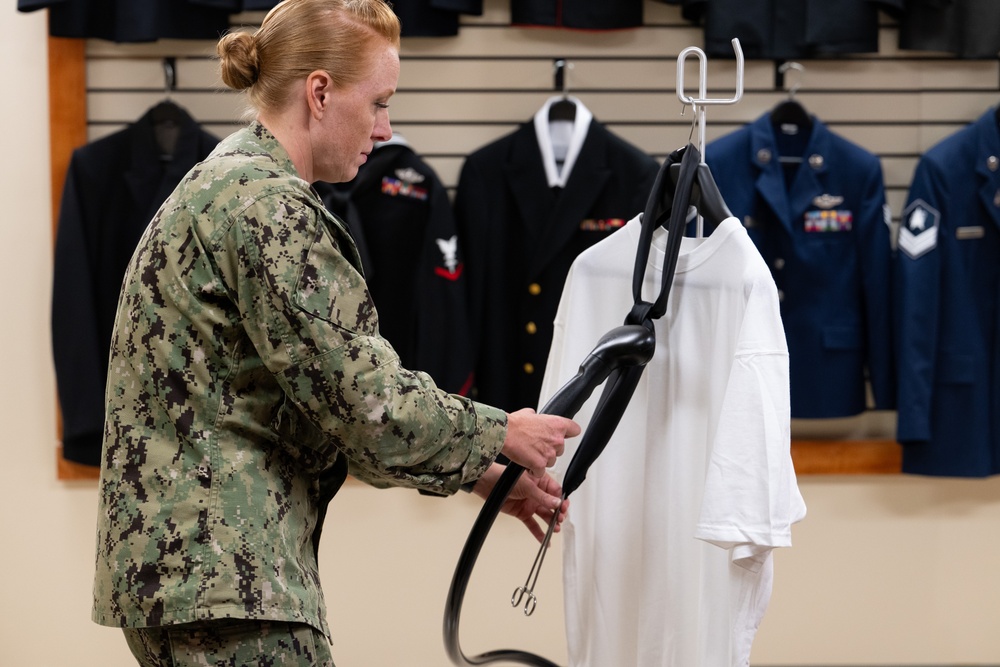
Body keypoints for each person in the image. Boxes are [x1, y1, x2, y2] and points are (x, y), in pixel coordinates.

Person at [90, 1, 580, 665]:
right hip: (229, 584)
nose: (385, 128)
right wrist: (504, 431)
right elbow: (367, 402)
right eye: (378, 102)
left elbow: (332, 412)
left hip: (190, 580)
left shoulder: (227, 183)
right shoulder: (270, 208)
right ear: (319, 93)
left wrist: (484, 476)